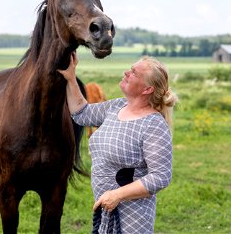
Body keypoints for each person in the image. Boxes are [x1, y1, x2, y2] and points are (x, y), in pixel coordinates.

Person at [58, 52, 178, 233]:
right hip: (106, 209)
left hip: (133, 218)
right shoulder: (116, 107)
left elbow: (160, 176)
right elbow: (81, 113)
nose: (126, 73)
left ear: (147, 89)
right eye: (130, 69)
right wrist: (71, 77)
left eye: (134, 73)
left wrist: (117, 195)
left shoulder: (154, 125)